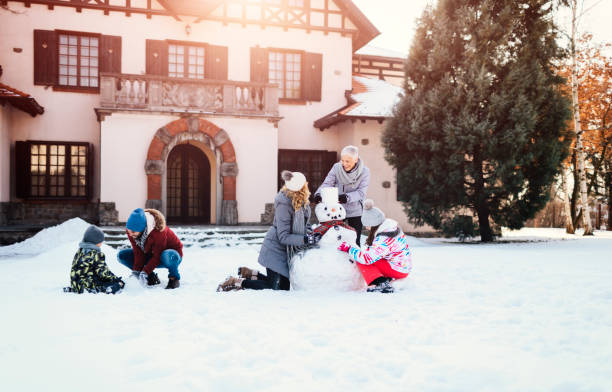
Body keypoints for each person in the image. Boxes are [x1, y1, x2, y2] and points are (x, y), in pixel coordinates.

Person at [217, 170, 322, 291]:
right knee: (275, 288)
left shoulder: (303, 202)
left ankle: (250, 274)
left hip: (286, 251)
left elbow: (305, 224)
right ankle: (236, 282)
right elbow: (283, 236)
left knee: (281, 287)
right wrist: (305, 239)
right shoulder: (284, 204)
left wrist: (311, 234)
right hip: (275, 250)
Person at [337, 200, 412, 293]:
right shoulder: (392, 228)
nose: (366, 228)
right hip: (402, 266)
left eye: (367, 225)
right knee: (365, 257)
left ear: (373, 224)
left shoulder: (384, 238)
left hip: (398, 270)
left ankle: (380, 283)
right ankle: (384, 278)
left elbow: (367, 258)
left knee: (362, 260)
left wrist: (349, 249)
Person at [313, 145, 370, 246]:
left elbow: (361, 192)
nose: (344, 164)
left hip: (355, 210)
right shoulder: (337, 167)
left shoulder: (364, 172)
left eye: (347, 161)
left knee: (355, 241)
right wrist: (319, 194)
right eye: (342, 160)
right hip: (337, 209)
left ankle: (354, 261)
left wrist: (347, 197)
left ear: (356, 159)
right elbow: (328, 183)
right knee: (334, 238)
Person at [117, 208, 183, 289]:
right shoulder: (132, 231)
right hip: (150, 254)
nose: (130, 234)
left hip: (171, 256)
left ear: (142, 228)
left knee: (166, 254)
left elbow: (158, 255)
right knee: (122, 255)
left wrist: (145, 271)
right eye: (128, 231)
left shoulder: (158, 230)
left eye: (133, 232)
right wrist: (136, 272)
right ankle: (151, 277)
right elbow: (138, 253)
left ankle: (174, 278)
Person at [64, 225, 125, 294]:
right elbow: (103, 272)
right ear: (95, 242)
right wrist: (115, 279)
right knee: (118, 284)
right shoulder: (96, 254)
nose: (102, 243)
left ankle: (75, 289)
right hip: (90, 285)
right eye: (101, 241)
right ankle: (108, 289)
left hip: (76, 283)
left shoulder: (80, 251)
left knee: (89, 275)